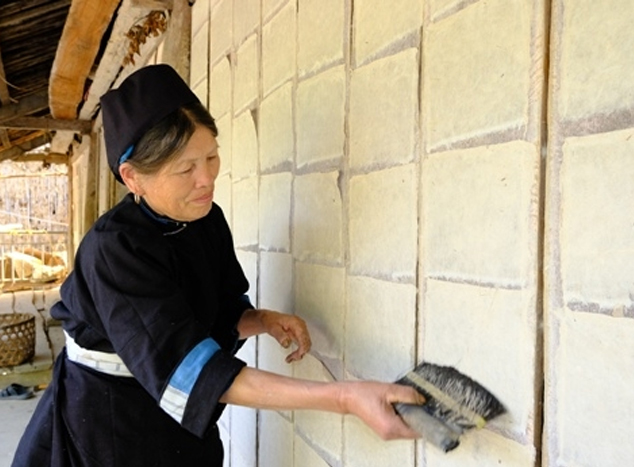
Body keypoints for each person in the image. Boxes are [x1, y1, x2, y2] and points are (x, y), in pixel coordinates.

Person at [11, 64, 423, 467]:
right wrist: (345, 397)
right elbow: (191, 368)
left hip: (181, 424)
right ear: (132, 177)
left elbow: (214, 315)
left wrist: (260, 319)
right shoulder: (115, 252)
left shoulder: (204, 219)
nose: (205, 179)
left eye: (211, 156)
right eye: (185, 169)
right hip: (113, 420)